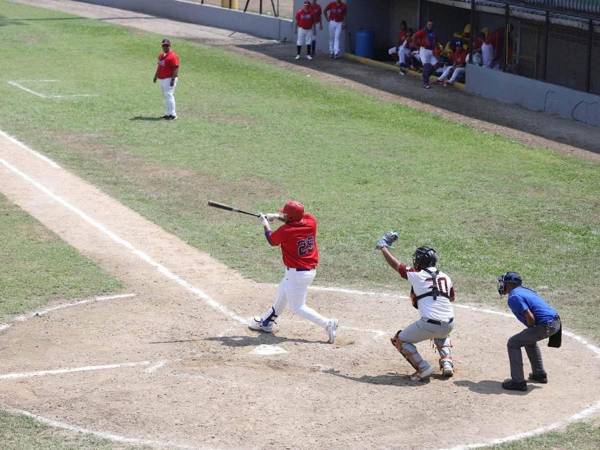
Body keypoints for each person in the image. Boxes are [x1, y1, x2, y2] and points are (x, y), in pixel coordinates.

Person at [249, 200, 338, 343]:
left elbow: (272, 240)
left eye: (284, 213)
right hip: (306, 271)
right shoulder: (311, 221)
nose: (282, 214)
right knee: (283, 292)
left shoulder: (287, 231)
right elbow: (292, 218)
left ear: (289, 217)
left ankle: (328, 324)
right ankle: (266, 322)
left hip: (297, 274)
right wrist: (276, 215)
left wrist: (265, 223)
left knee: (297, 307)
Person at [376, 232, 456, 381]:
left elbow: (396, 265)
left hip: (429, 324)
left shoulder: (416, 275)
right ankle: (447, 362)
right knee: (441, 330)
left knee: (399, 339)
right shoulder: (446, 276)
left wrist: (383, 247)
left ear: (420, 261)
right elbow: (451, 297)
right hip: (450, 324)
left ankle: (423, 368)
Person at [497, 272, 561, 391]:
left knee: (513, 343)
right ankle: (539, 374)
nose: (502, 285)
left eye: (504, 283)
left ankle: (518, 382)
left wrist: (532, 329)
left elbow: (530, 317)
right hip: (555, 323)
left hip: (546, 325)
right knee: (528, 339)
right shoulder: (525, 290)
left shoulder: (514, 296)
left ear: (509, 284)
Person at [153, 38, 179, 120]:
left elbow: (176, 68)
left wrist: (172, 79)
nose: (165, 47)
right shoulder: (161, 55)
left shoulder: (173, 56)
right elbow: (159, 66)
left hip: (169, 79)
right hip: (162, 78)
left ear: (169, 46)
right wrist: (155, 76)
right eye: (164, 45)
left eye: (166, 45)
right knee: (166, 96)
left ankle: (173, 114)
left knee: (169, 95)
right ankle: (168, 113)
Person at [414, 20, 437, 89]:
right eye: (429, 24)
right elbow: (414, 36)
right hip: (424, 50)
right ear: (426, 25)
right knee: (426, 66)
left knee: (436, 65)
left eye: (431, 24)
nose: (430, 26)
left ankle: (425, 76)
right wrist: (417, 46)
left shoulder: (433, 32)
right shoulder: (423, 31)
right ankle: (425, 83)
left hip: (431, 51)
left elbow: (435, 41)